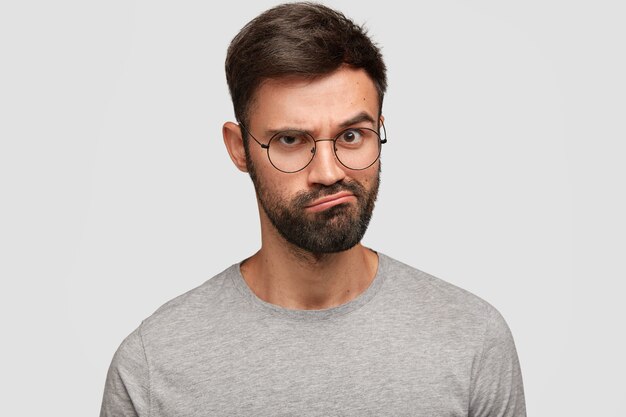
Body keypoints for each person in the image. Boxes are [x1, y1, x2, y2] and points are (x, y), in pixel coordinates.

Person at [100, 3, 526, 416]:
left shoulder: (472, 341)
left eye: (353, 136)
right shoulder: (153, 366)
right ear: (239, 148)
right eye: (290, 140)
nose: (328, 171)